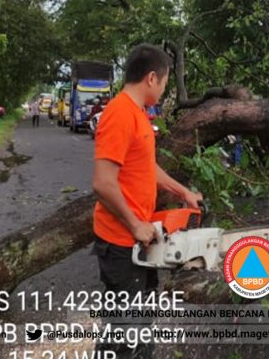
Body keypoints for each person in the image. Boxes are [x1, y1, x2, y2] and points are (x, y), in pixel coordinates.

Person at [92, 44, 203, 358]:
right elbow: (102, 183)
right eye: (166, 81)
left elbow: (145, 166)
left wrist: (184, 193)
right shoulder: (119, 113)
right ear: (152, 77)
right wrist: (134, 224)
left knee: (131, 327)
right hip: (121, 241)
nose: (166, 88)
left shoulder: (138, 115)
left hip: (137, 239)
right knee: (128, 337)